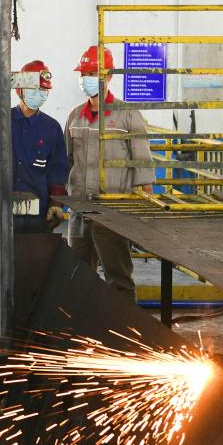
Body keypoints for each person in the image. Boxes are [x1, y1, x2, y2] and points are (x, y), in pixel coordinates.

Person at [64, 46, 155, 300]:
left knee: (118, 279)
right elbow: (68, 160)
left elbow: (143, 164)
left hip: (113, 212)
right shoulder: (74, 117)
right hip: (80, 211)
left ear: (109, 76)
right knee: (77, 277)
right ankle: (84, 324)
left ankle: (123, 325)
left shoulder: (128, 115)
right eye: (84, 74)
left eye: (93, 73)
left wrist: (144, 213)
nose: (86, 79)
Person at [11, 60, 70, 233]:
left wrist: (56, 204)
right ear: (19, 90)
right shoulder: (0, 122)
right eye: (34, 88)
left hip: (38, 215)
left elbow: (57, 171)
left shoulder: (51, 128)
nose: (39, 93)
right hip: (0, 212)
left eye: (43, 89)